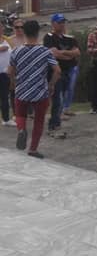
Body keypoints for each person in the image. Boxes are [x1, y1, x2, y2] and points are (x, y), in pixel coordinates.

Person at [8, 20, 60, 158]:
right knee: (39, 120)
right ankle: (33, 149)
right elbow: (57, 71)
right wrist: (51, 85)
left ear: (24, 32)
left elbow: (10, 71)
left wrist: (13, 82)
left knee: (20, 115)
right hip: (40, 92)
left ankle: (21, 129)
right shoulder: (45, 52)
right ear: (38, 33)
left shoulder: (16, 51)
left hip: (21, 90)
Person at [43, 13, 79, 137]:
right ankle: (53, 123)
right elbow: (53, 54)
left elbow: (77, 52)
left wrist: (63, 52)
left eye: (63, 22)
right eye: (59, 22)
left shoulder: (69, 37)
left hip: (69, 70)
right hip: (56, 71)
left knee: (65, 94)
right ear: (53, 24)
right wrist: (69, 55)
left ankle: (57, 120)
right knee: (57, 98)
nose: (62, 24)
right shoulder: (49, 37)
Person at [0, 27, 11, 126]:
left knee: (4, 97)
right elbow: (4, 48)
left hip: (5, 73)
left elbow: (10, 50)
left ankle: (6, 119)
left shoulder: (7, 39)